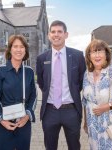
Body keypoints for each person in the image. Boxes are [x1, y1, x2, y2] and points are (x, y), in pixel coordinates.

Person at [36, 20, 86, 150]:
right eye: (53, 32)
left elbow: (81, 81)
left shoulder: (77, 56)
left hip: (71, 110)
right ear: (49, 35)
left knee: (74, 146)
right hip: (50, 111)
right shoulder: (42, 58)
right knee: (50, 147)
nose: (56, 34)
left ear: (66, 34)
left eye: (59, 31)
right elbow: (41, 83)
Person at [82, 39, 112, 150]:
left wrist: (107, 106)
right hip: (92, 125)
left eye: (100, 51)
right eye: (93, 52)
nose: (97, 55)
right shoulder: (87, 74)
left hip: (111, 125)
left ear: (106, 54)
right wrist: (85, 122)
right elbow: (85, 101)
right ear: (89, 56)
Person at [0, 35, 36, 150]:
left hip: (23, 123)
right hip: (4, 124)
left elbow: (33, 96)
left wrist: (27, 115)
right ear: (10, 49)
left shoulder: (29, 72)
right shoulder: (0, 70)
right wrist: (2, 120)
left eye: (22, 47)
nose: (18, 49)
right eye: (15, 46)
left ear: (25, 50)